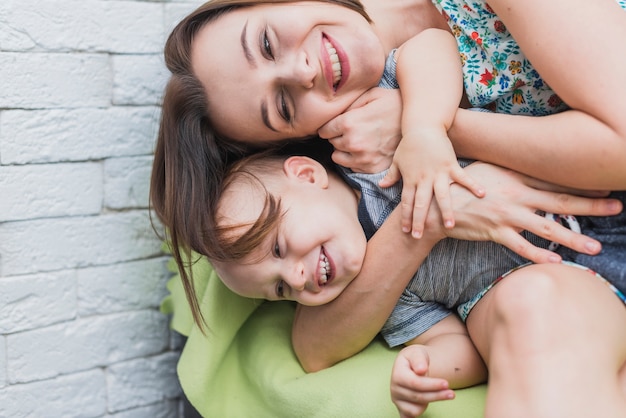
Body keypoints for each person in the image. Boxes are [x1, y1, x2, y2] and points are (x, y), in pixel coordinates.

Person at [148, 0, 626, 415]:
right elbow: (316, 350)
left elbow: (431, 48)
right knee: (533, 310)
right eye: (285, 108)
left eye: (268, 43)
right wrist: (421, 228)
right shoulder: (353, 149)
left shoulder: (395, 96)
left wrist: (420, 127)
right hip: (565, 276)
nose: (302, 72)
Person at [206, 147, 626, 417]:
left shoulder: (375, 156)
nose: (296, 280)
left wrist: (424, 120)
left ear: (307, 174)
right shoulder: (384, 298)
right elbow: (467, 350)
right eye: (280, 291)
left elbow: (424, 51)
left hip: (601, 207)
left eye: (278, 248)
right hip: (567, 293)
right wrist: (426, 367)